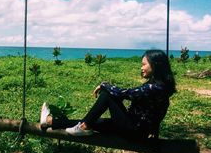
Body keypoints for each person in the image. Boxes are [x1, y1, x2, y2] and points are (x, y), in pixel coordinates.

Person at [40, 49, 176, 139]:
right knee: (94, 122)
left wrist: (104, 85)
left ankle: (84, 126)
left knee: (108, 94)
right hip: (134, 127)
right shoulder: (160, 85)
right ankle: (50, 122)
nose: (141, 68)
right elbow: (157, 113)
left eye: (144, 64)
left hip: (134, 131)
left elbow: (128, 93)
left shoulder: (156, 87)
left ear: (155, 65)